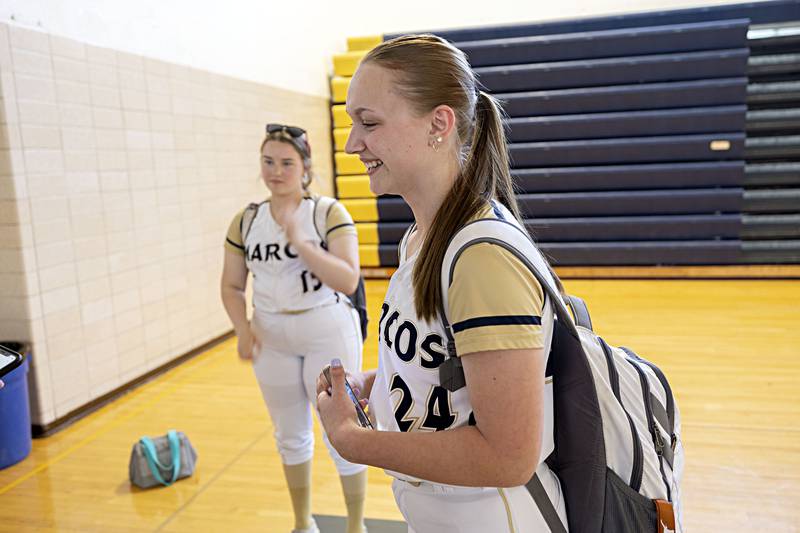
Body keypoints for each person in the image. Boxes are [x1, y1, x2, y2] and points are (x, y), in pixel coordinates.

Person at [316, 35, 567, 532]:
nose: (351, 143)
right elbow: (451, 372)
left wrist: (353, 439)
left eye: (369, 123)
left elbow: (508, 456)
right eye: (351, 124)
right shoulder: (420, 237)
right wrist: (383, 385)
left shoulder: (481, 258)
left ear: (439, 123)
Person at [221, 124, 368, 533]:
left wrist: (302, 243)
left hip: (326, 327)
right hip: (271, 334)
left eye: (287, 163)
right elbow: (232, 285)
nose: (276, 171)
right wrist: (241, 328)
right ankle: (303, 523)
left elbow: (348, 280)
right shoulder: (246, 221)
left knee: (342, 430)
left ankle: (356, 525)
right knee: (289, 434)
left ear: (305, 167)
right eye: (268, 162)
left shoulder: (327, 212)